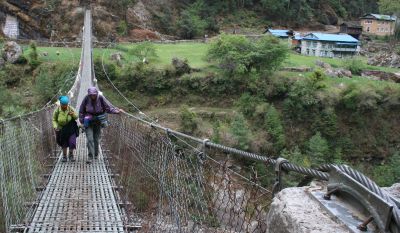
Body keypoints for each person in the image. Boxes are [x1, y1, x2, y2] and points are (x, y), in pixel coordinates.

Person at [79, 87, 122, 164]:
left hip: (98, 121)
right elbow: (81, 110)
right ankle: (90, 156)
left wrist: (117, 111)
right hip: (88, 121)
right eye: (91, 95)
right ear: (89, 94)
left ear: (96, 94)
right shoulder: (86, 98)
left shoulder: (101, 98)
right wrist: (81, 121)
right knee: (90, 139)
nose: (92, 96)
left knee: (96, 139)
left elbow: (108, 108)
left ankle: (96, 154)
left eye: (94, 95)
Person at [53, 96, 79, 162]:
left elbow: (76, 117)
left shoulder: (70, 108)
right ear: (60, 104)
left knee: (72, 142)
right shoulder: (57, 110)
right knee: (64, 143)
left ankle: (71, 155)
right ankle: (64, 156)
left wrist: (72, 114)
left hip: (71, 128)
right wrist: (55, 126)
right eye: (63, 105)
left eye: (66, 105)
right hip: (62, 129)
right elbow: (54, 119)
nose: (65, 106)